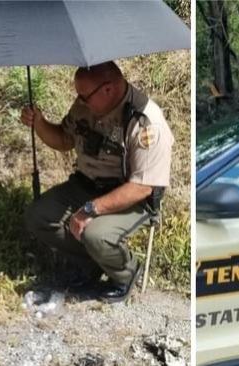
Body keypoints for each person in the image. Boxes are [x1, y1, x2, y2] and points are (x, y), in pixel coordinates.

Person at [21, 61, 174, 303]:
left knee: (96, 235)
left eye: (85, 96)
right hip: (85, 185)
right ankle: (93, 262)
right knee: (38, 216)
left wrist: (90, 210)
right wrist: (39, 123)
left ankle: (125, 273)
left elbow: (143, 186)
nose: (80, 101)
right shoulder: (86, 105)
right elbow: (63, 139)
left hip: (129, 197)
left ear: (108, 89)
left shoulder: (145, 122)